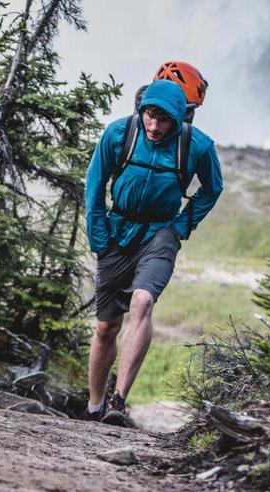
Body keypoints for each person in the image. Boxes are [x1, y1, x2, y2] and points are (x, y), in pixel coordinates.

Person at [83, 61, 223, 427]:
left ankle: (119, 400)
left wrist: (180, 227)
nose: (155, 126)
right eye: (150, 117)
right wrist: (100, 239)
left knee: (143, 302)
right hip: (117, 232)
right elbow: (94, 187)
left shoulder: (198, 146)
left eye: (164, 120)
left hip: (161, 233)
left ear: (179, 118)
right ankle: (94, 405)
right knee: (106, 327)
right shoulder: (119, 134)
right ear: (142, 110)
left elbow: (212, 189)